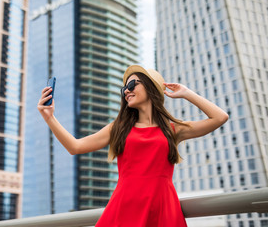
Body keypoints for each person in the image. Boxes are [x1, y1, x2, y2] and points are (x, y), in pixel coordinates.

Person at [37, 64, 229, 226]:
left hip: (163, 207)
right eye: (124, 89)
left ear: (150, 87)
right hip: (125, 206)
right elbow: (75, 147)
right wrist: (49, 117)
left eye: (131, 84)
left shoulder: (173, 129)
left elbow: (220, 117)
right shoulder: (119, 127)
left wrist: (187, 93)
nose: (126, 91)